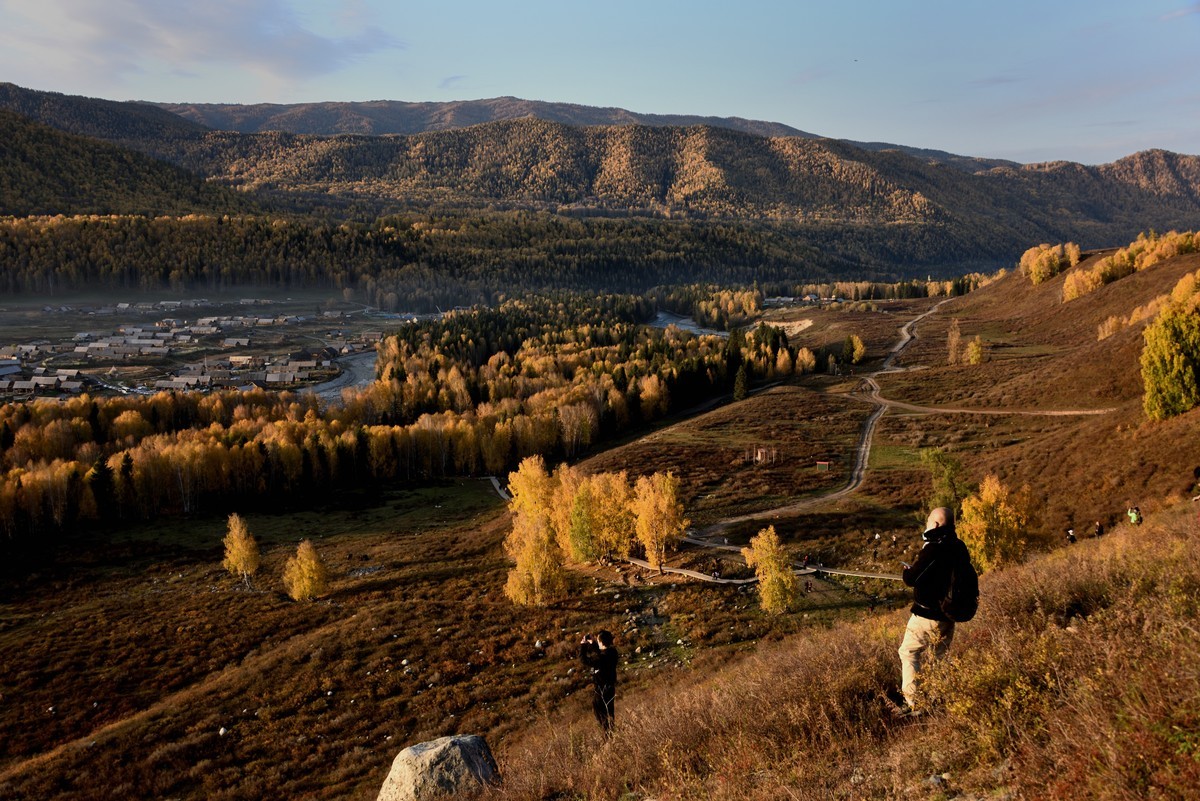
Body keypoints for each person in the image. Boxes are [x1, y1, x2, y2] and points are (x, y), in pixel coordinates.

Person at [895, 507, 972, 712]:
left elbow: (913, 579)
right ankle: (940, 697)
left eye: (929, 521)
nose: (927, 525)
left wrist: (907, 573)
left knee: (909, 652)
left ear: (936, 524)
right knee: (940, 656)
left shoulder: (934, 547)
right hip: (950, 613)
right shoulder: (959, 546)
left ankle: (914, 703)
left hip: (926, 613)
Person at [579, 630, 618, 735]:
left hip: (601, 690)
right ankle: (611, 734)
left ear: (601, 642)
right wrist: (594, 644)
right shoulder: (613, 653)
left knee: (599, 713)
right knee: (609, 713)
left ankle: (608, 735)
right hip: (610, 688)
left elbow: (584, 660)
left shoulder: (601, 659)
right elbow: (601, 653)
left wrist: (583, 646)